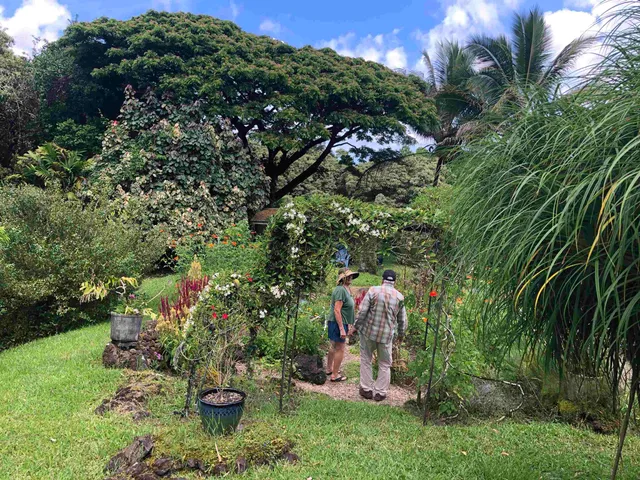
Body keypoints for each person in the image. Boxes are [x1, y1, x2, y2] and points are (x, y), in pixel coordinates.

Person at [353, 269, 406, 401]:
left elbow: (362, 311)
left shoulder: (373, 291)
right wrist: (401, 334)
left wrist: (356, 326)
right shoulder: (399, 297)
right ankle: (380, 393)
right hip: (386, 336)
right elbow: (402, 320)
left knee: (366, 359)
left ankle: (366, 389)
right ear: (394, 282)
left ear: (382, 280)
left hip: (368, 333)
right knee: (385, 363)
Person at [326, 268, 359, 382]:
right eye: (348, 276)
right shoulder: (340, 290)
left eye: (351, 275)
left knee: (333, 345)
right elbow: (337, 310)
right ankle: (335, 375)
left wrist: (349, 325)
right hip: (338, 322)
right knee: (340, 347)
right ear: (342, 278)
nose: (350, 277)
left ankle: (330, 368)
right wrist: (341, 328)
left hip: (341, 322)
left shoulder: (346, 289)